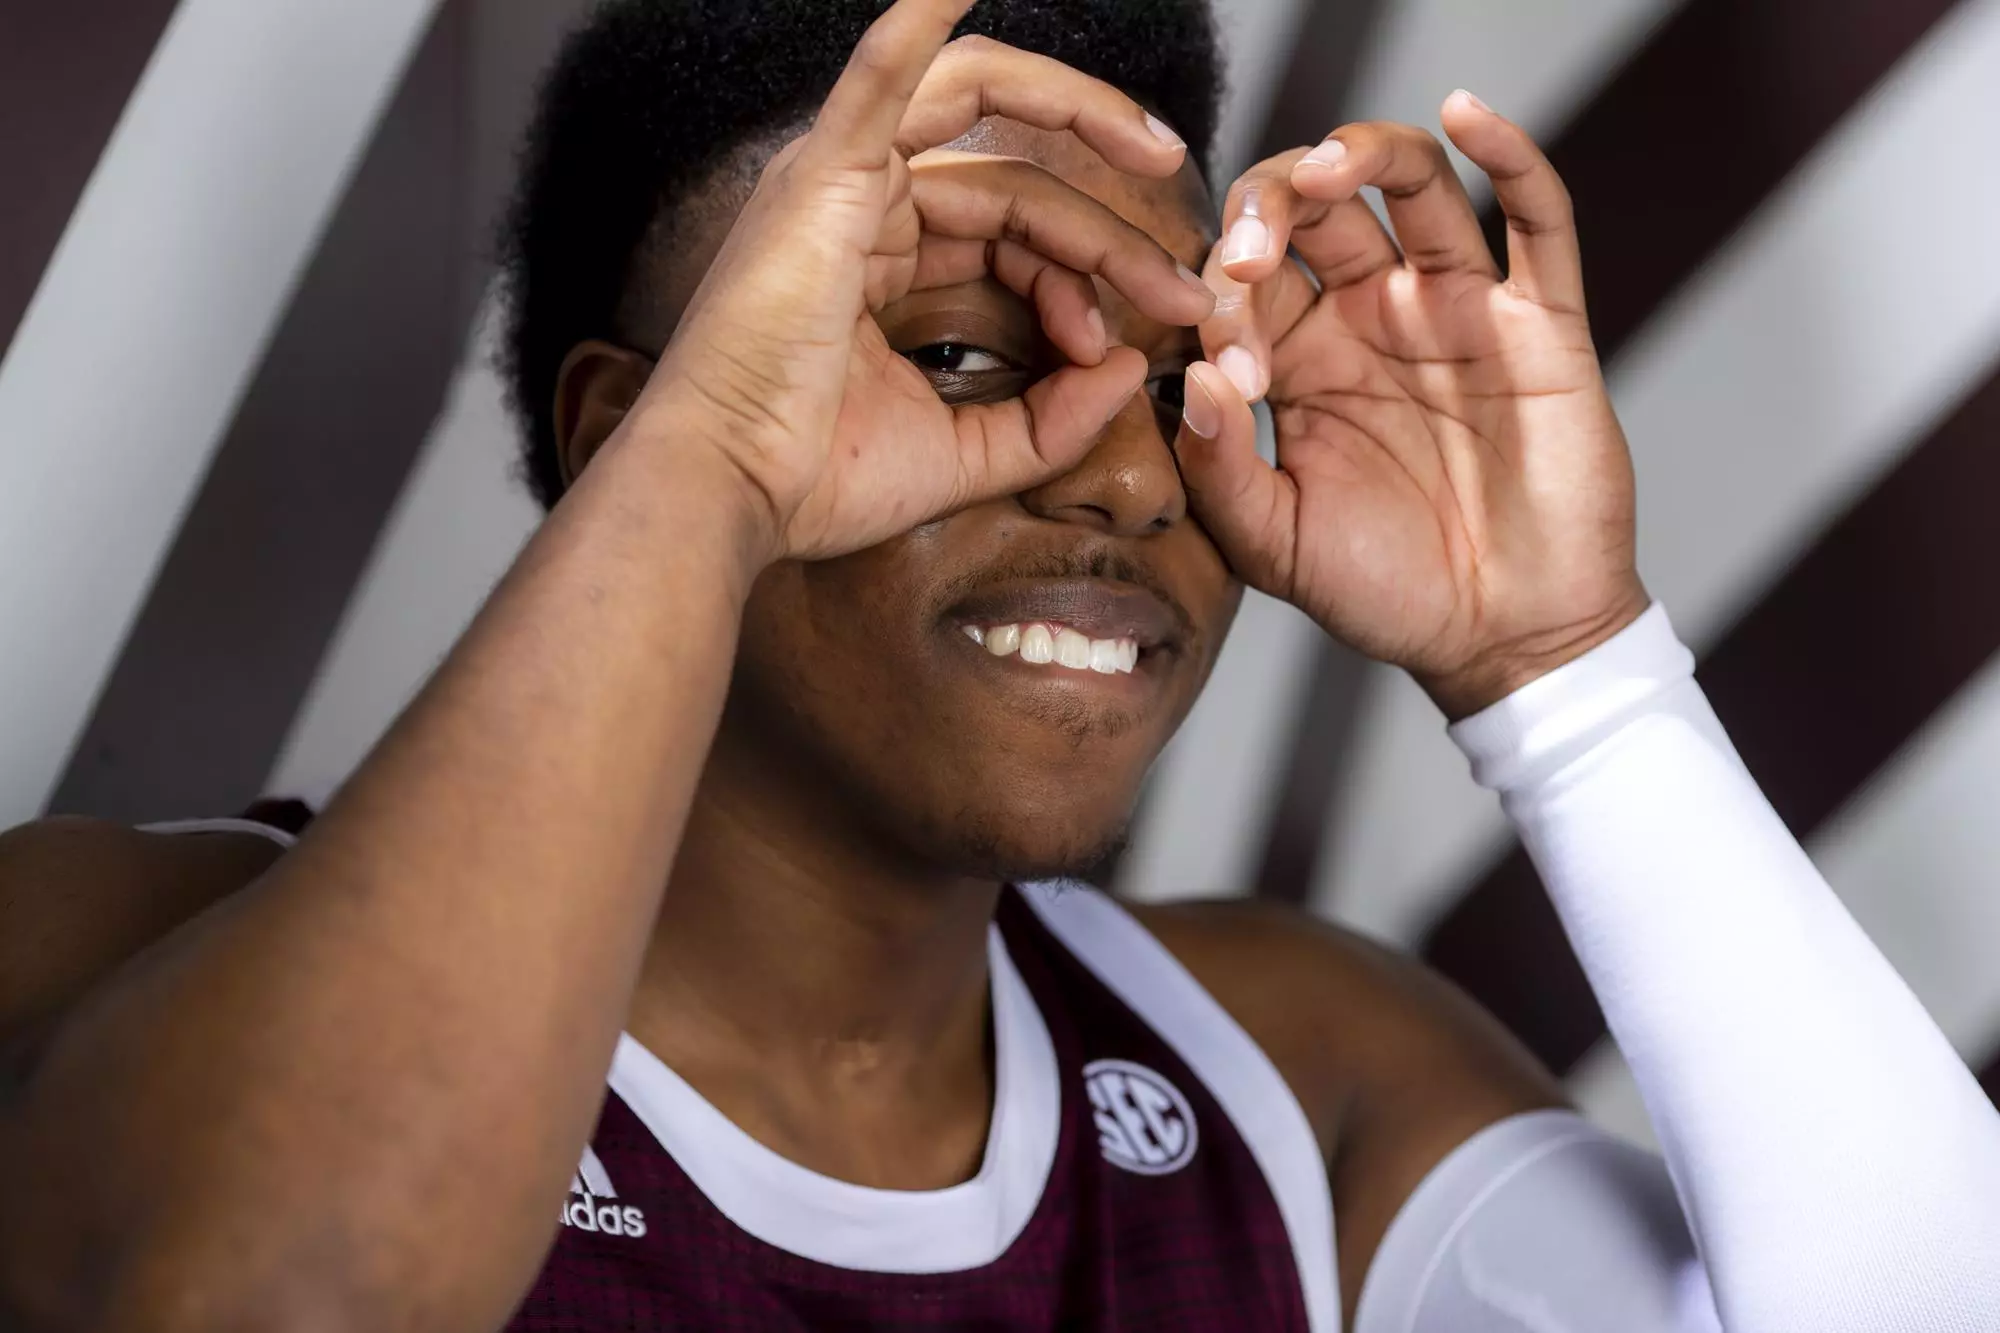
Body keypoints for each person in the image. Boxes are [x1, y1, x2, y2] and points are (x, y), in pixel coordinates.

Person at [2, 0, 1997, 1328]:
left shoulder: (1281, 1078)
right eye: (956, 357)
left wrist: (1565, 672)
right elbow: (279, 1284)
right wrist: (712, 472)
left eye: (1179, 385)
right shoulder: (101, 943)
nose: (1127, 477)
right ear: (631, 432)